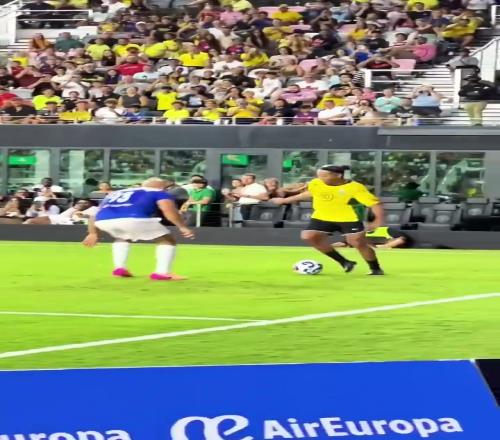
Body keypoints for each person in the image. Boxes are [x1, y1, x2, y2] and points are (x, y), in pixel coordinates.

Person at [272, 164, 385, 275]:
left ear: (338, 175)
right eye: (319, 175)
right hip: (322, 216)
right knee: (309, 236)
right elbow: (309, 193)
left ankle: (375, 268)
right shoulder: (316, 183)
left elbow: (375, 204)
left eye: (324, 176)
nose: (320, 178)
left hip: (349, 218)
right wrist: (284, 200)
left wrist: (377, 221)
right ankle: (345, 262)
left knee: (357, 243)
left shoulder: (355, 187)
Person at [82, 177, 194, 281]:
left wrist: (93, 233)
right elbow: (169, 211)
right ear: (161, 187)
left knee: (122, 237)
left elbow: (94, 214)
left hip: (103, 221)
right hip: (133, 218)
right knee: (167, 240)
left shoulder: (115, 193)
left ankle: (120, 268)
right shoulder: (158, 192)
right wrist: (182, 227)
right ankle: (162, 273)